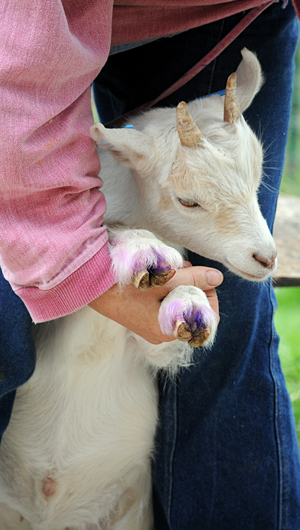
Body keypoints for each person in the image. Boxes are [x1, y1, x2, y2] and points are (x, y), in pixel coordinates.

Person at [0, 1, 300, 528]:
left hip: (221, 16)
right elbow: (18, 91)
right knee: (7, 316)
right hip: (35, 35)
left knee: (232, 317)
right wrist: (88, 275)